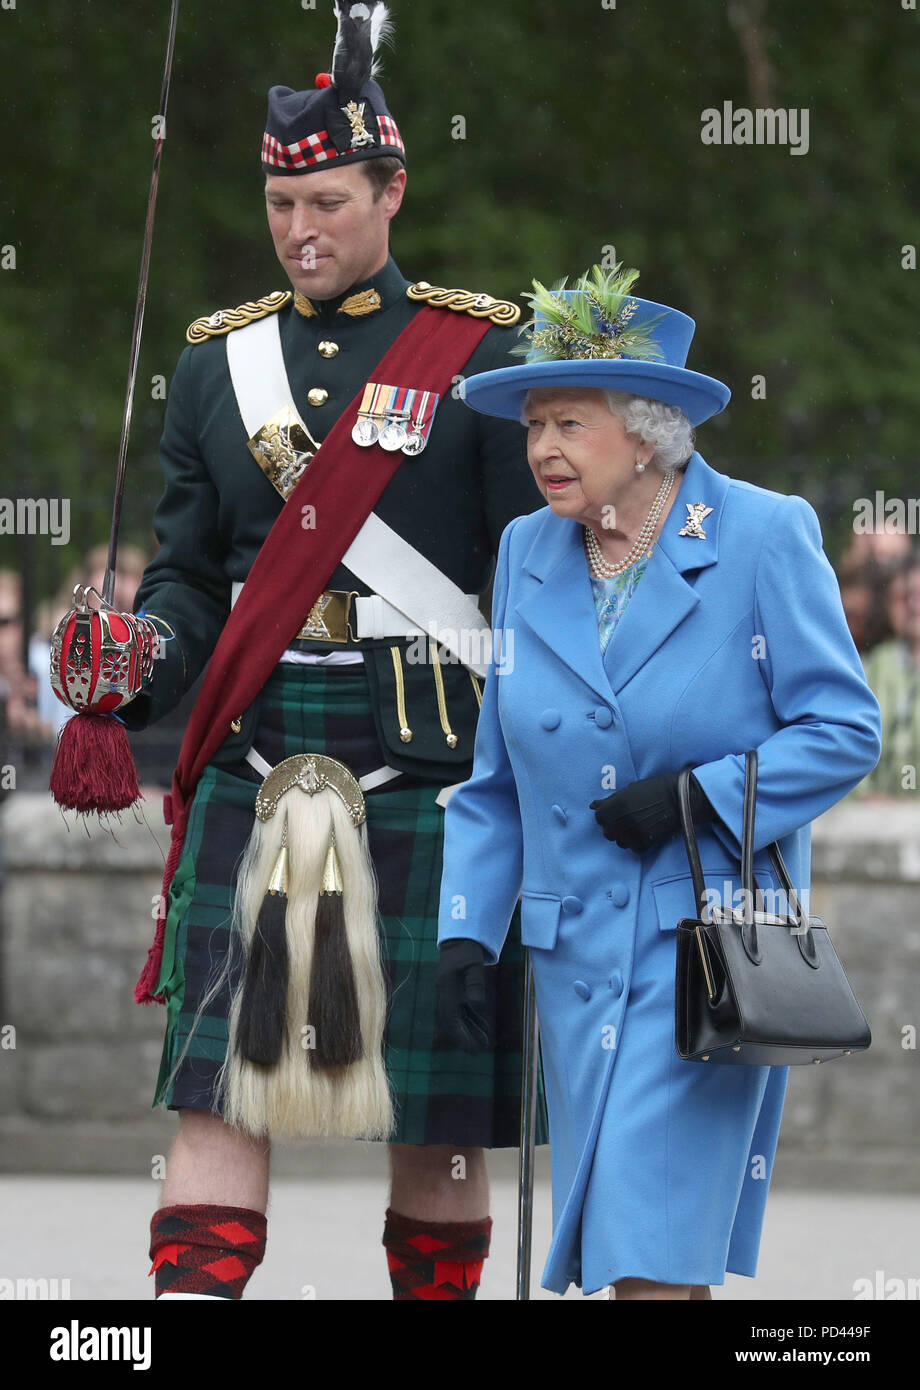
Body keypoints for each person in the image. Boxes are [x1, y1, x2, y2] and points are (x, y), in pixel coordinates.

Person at [77, 3, 544, 1300]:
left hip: (431, 772)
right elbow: (188, 580)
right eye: (283, 204)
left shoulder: (485, 356)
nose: (300, 230)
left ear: (392, 190)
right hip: (257, 759)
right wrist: (136, 655)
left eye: (329, 199)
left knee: (436, 1122)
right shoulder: (217, 370)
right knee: (223, 1088)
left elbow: (528, 592)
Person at [436, 263, 882, 1300]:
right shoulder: (523, 553)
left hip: (702, 960)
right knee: (631, 1263)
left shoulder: (760, 536)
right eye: (534, 424)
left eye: (568, 424)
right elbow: (495, 778)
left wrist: (699, 796)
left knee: (647, 1255)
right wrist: (466, 928)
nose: (541, 448)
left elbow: (844, 727)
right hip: (571, 958)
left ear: (644, 429)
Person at [853, 550, 920, 796]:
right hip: (873, 821)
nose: (914, 606)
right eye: (905, 597)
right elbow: (848, 743)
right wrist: (865, 796)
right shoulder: (870, 668)